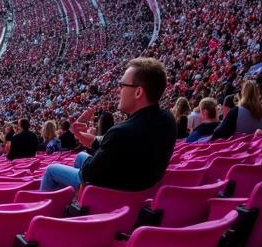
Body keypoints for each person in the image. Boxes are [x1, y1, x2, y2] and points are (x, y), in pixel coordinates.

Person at [40, 58, 176, 193]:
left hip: (113, 194)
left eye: (122, 85)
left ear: (138, 92)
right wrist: (92, 140)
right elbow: (120, 148)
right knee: (81, 156)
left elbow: (88, 173)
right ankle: (77, 200)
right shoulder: (168, 120)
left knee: (51, 170)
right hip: (139, 186)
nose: (118, 91)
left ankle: (60, 208)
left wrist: (96, 144)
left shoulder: (121, 132)